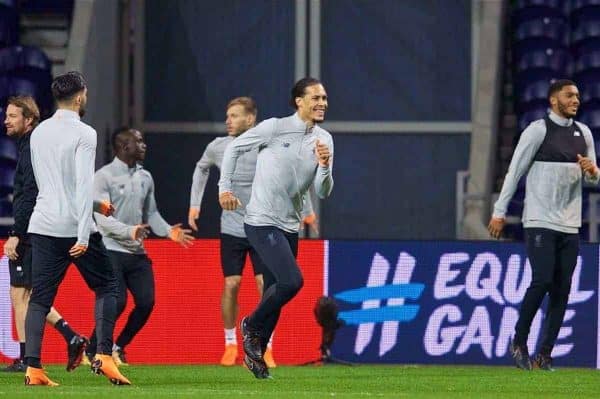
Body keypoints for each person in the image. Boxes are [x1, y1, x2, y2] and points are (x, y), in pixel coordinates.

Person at [189, 97, 317, 367]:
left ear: (250, 119)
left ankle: (264, 343)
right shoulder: (219, 147)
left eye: (234, 116)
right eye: (227, 115)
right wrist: (194, 205)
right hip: (233, 228)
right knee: (232, 284)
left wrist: (307, 207)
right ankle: (230, 342)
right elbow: (201, 168)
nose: (228, 121)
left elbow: (291, 177)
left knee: (267, 285)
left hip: (265, 224)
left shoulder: (268, 145)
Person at [218, 77, 333, 378]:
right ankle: (251, 326)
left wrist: (324, 166)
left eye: (324, 98)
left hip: (289, 226)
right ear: (299, 101)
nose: (322, 103)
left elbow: (323, 191)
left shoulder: (324, 139)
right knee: (292, 281)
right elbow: (234, 150)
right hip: (260, 221)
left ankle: (256, 356)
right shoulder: (274, 127)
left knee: (275, 290)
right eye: (316, 98)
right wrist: (224, 188)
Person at [23, 71, 130, 386]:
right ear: (81, 96)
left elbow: (51, 184)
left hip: (43, 223)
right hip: (74, 225)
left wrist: (94, 208)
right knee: (108, 287)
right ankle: (104, 356)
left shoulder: (39, 132)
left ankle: (34, 369)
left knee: (40, 297)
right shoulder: (85, 133)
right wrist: (85, 233)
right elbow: (81, 186)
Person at [488, 79, 598, 371]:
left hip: (570, 224)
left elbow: (594, 178)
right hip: (539, 220)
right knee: (543, 280)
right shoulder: (537, 131)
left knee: (562, 290)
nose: (576, 99)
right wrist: (499, 211)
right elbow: (515, 171)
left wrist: (594, 171)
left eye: (577, 95)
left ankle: (544, 355)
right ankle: (519, 342)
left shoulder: (584, 133)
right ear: (553, 101)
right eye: (569, 95)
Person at [84, 127, 194, 366]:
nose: (144, 145)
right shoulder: (103, 177)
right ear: (124, 147)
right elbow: (100, 217)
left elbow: (151, 213)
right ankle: (91, 349)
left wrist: (168, 231)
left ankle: (118, 346)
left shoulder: (146, 177)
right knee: (118, 301)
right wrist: (128, 231)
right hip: (110, 248)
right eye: (139, 142)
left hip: (136, 252)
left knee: (146, 302)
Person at [2, 96, 91, 373]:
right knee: (27, 294)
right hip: (42, 225)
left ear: (29, 119)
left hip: (31, 229)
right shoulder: (34, 145)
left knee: (20, 294)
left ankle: (27, 359)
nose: (6, 120)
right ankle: (71, 337)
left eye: (13, 116)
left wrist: (17, 232)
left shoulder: (31, 148)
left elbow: (30, 191)